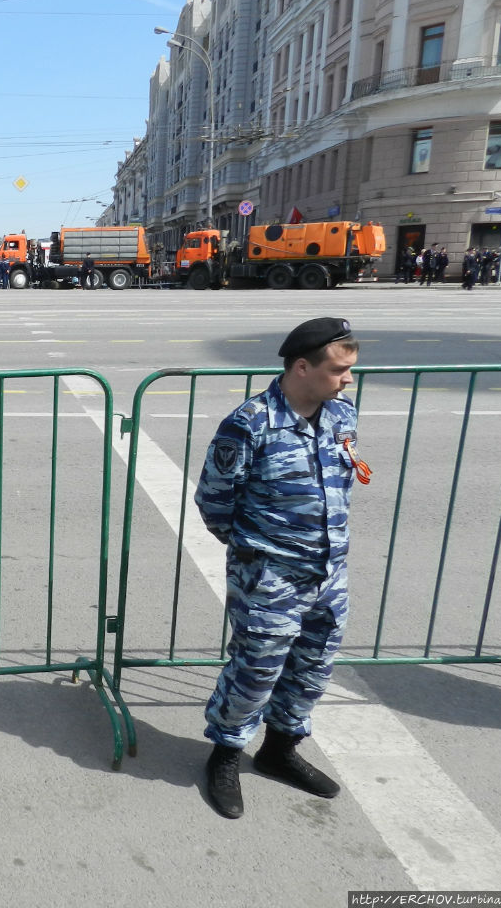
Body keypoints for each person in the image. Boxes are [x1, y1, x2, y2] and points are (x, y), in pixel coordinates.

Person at [195, 317, 365, 819]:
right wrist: (258, 553)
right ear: (302, 367)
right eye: (339, 370)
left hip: (329, 574)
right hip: (270, 576)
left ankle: (280, 749)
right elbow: (214, 503)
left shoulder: (341, 416)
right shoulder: (249, 424)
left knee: (312, 670)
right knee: (255, 672)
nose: (348, 379)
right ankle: (225, 756)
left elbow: (342, 482)